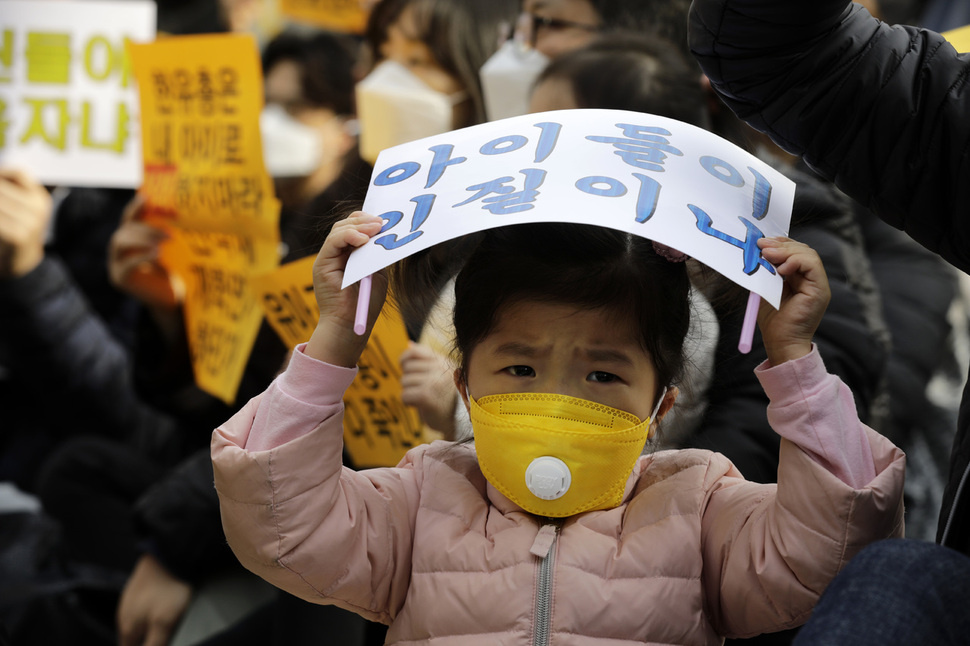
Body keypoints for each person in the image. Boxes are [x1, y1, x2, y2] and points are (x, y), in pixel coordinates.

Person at [211, 209, 905, 643]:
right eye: (518, 369)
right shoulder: (418, 499)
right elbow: (281, 522)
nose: (557, 399)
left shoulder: (700, 506)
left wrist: (794, 360)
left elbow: (833, 550)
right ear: (464, 385)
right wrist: (337, 335)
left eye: (604, 376)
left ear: (661, 405)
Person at [688, 0, 970, 555]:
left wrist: (794, 363)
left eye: (604, 372)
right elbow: (775, 49)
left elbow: (813, 550)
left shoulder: (815, 245)